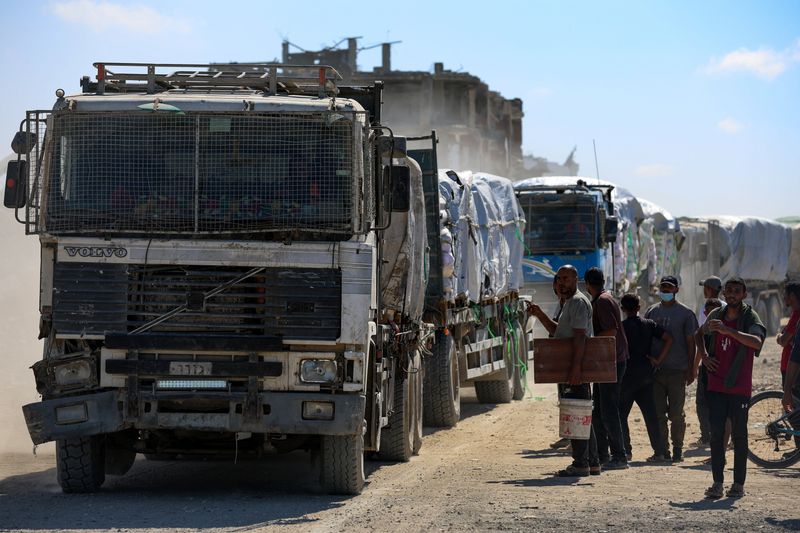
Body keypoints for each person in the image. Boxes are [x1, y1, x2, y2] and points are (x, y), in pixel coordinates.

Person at [697, 277, 765, 499]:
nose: (733, 294)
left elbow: (757, 342)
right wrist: (705, 357)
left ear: (744, 294)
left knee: (739, 436)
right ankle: (717, 483)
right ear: (724, 294)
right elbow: (698, 335)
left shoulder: (749, 317)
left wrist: (729, 332)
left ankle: (738, 485)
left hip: (739, 387)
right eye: (729, 291)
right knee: (716, 436)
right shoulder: (716, 316)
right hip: (716, 385)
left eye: (737, 291)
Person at [528, 265, 599, 476]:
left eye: (566, 279)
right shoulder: (569, 302)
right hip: (571, 368)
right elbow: (558, 332)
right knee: (583, 414)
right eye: (559, 279)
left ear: (576, 279)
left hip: (575, 368)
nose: (561, 283)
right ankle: (592, 462)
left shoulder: (577, 302)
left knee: (576, 414)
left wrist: (576, 369)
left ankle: (580, 464)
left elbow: (579, 338)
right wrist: (539, 314)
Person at [644, 275, 699, 463]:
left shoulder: (686, 314)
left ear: (676, 290)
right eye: (663, 287)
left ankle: (677, 449)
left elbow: (691, 343)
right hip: (656, 373)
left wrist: (691, 369)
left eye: (669, 287)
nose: (665, 290)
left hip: (677, 371)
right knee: (658, 414)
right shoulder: (651, 312)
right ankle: (662, 450)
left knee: (676, 414)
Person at [583, 267, 630, 470]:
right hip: (609, 360)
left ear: (586, 284)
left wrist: (587, 342)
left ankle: (619, 456)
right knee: (600, 410)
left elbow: (610, 331)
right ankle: (604, 455)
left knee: (609, 411)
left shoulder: (602, 301)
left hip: (611, 361)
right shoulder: (605, 298)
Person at [619, 293, 673, 461]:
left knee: (621, 416)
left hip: (627, 376)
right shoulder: (649, 324)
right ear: (639, 307)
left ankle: (626, 451)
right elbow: (669, 339)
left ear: (622, 309)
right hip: (646, 376)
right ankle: (660, 452)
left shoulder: (621, 327)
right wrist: (658, 360)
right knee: (651, 416)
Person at [694, 291, 725, 448]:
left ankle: (721, 438)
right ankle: (707, 436)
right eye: (709, 312)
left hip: (723, 373)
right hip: (707, 371)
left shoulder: (727, 326)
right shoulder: (707, 327)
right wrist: (703, 361)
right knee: (702, 403)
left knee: (723, 406)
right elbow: (698, 337)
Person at [778, 282, 800, 387]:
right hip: (793, 366)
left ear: (791, 295)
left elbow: (783, 340)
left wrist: (779, 337)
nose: (783, 297)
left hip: (791, 367)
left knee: (790, 400)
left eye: (784, 294)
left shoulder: (796, 314)